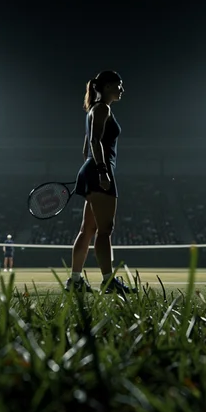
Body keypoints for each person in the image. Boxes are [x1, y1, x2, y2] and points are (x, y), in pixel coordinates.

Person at [65, 70, 134, 295]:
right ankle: (108, 282)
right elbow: (95, 141)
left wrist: (90, 169)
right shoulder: (103, 109)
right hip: (100, 171)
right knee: (105, 230)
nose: (122, 89)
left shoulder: (93, 110)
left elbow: (87, 147)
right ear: (106, 87)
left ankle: (75, 281)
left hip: (90, 169)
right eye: (118, 85)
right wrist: (103, 172)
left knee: (88, 230)